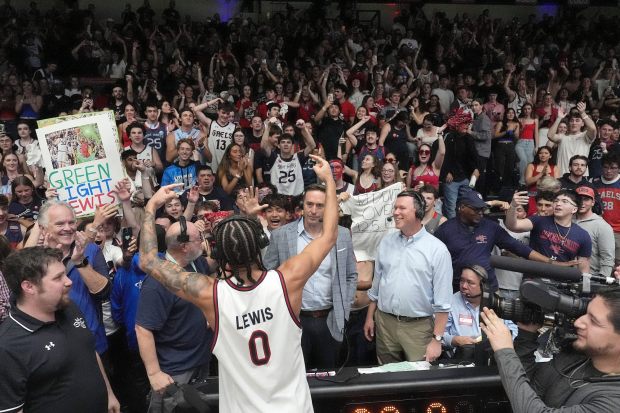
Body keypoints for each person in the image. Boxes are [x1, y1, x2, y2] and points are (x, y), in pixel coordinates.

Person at [138, 154, 338, 412]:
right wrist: (329, 183)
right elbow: (329, 234)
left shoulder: (209, 293)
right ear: (259, 246)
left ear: (220, 256)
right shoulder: (288, 279)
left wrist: (151, 206)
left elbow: (148, 261)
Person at [0, 247, 120, 413]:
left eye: (64, 273)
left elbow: (88, 351)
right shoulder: (8, 346)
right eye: (58, 278)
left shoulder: (69, 307)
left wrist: (108, 393)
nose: (68, 281)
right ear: (29, 287)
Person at [480, 287, 620, 413]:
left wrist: (505, 351)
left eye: (594, 321)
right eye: (586, 314)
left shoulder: (613, 401)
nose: (578, 323)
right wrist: (526, 335)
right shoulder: (579, 356)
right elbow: (529, 386)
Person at [263, 183, 357, 369]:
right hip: (293, 321)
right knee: (294, 378)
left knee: (329, 378)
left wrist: (343, 310)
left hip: (330, 320)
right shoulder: (281, 235)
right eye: (309, 204)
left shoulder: (342, 235)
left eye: (320, 205)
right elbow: (268, 275)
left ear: (328, 208)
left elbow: (351, 275)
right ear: (302, 206)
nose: (313, 210)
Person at [364, 190, 453, 363]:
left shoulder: (437, 250)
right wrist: (370, 317)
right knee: (386, 377)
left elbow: (443, 303)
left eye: (402, 208)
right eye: (395, 208)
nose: (395, 212)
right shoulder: (386, 242)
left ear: (417, 212)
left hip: (418, 328)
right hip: (385, 324)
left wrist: (437, 340)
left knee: (418, 382)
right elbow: (376, 286)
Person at [135, 218, 213, 413]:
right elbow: (142, 328)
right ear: (185, 247)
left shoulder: (196, 263)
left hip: (201, 358)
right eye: (199, 239)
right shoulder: (157, 283)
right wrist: (154, 373)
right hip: (176, 370)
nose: (203, 242)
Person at [435, 189, 551, 292]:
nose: (480, 212)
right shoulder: (446, 229)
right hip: (457, 289)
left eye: (482, 208)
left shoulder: (490, 227)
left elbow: (520, 248)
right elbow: (433, 259)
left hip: (487, 289)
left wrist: (551, 262)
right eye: (475, 209)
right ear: (462, 208)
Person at [506, 189, 592, 273]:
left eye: (564, 201)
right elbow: (513, 226)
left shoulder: (583, 235)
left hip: (562, 282)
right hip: (534, 279)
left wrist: (584, 285)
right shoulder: (539, 220)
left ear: (574, 209)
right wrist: (513, 206)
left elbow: (584, 269)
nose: (558, 204)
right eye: (556, 201)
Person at [443, 265, 517, 359]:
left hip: (496, 356)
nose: (464, 286)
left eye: (470, 283)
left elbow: (514, 329)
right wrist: (455, 340)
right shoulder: (450, 302)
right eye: (462, 280)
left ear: (483, 286)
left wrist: (503, 341)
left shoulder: (497, 302)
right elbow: (439, 335)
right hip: (462, 358)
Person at [575, 186, 615, 277]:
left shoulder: (602, 226)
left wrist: (602, 281)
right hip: (566, 275)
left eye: (586, 199)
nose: (581, 203)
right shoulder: (568, 220)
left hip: (591, 277)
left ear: (593, 202)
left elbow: (608, 258)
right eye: (578, 199)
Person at [547, 103, 597, 175]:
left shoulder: (586, 136)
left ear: (582, 123)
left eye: (577, 120)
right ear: (568, 123)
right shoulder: (562, 137)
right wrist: (559, 118)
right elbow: (550, 135)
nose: (574, 123)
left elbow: (592, 128)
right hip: (562, 177)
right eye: (572, 120)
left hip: (581, 178)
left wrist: (582, 113)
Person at [591, 153, 620, 266]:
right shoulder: (594, 182)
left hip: (618, 230)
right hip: (598, 228)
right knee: (598, 261)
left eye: (613, 168)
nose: (609, 171)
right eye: (606, 167)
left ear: (618, 168)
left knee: (617, 263)